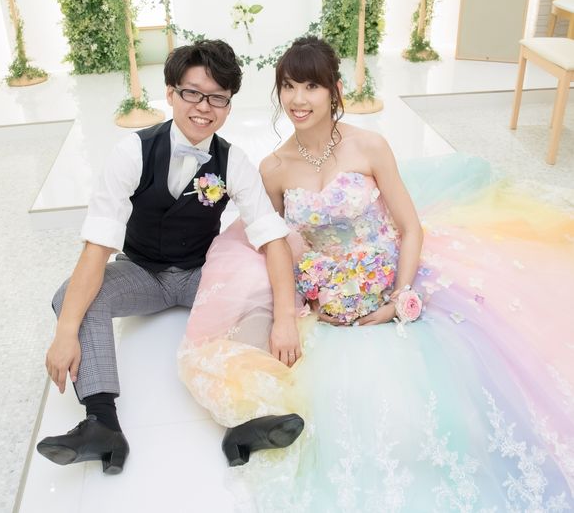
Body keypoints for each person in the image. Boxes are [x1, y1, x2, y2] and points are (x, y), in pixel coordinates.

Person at [179, 37, 574, 510]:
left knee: (437, 398)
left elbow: (410, 228)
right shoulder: (275, 167)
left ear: (335, 90)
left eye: (311, 86)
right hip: (326, 291)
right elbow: (274, 240)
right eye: (288, 86)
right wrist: (294, 304)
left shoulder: (369, 147)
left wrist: (400, 298)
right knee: (309, 383)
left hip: (389, 273)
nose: (298, 99)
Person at [36, 39, 304, 475]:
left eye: (217, 98)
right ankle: (102, 424)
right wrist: (65, 331)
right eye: (192, 93)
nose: (204, 107)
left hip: (201, 273)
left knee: (266, 288)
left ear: (229, 105)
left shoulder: (233, 161)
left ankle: (245, 421)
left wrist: (286, 318)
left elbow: (272, 239)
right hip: (142, 272)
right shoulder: (132, 151)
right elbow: (98, 246)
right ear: (170, 92)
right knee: (71, 298)